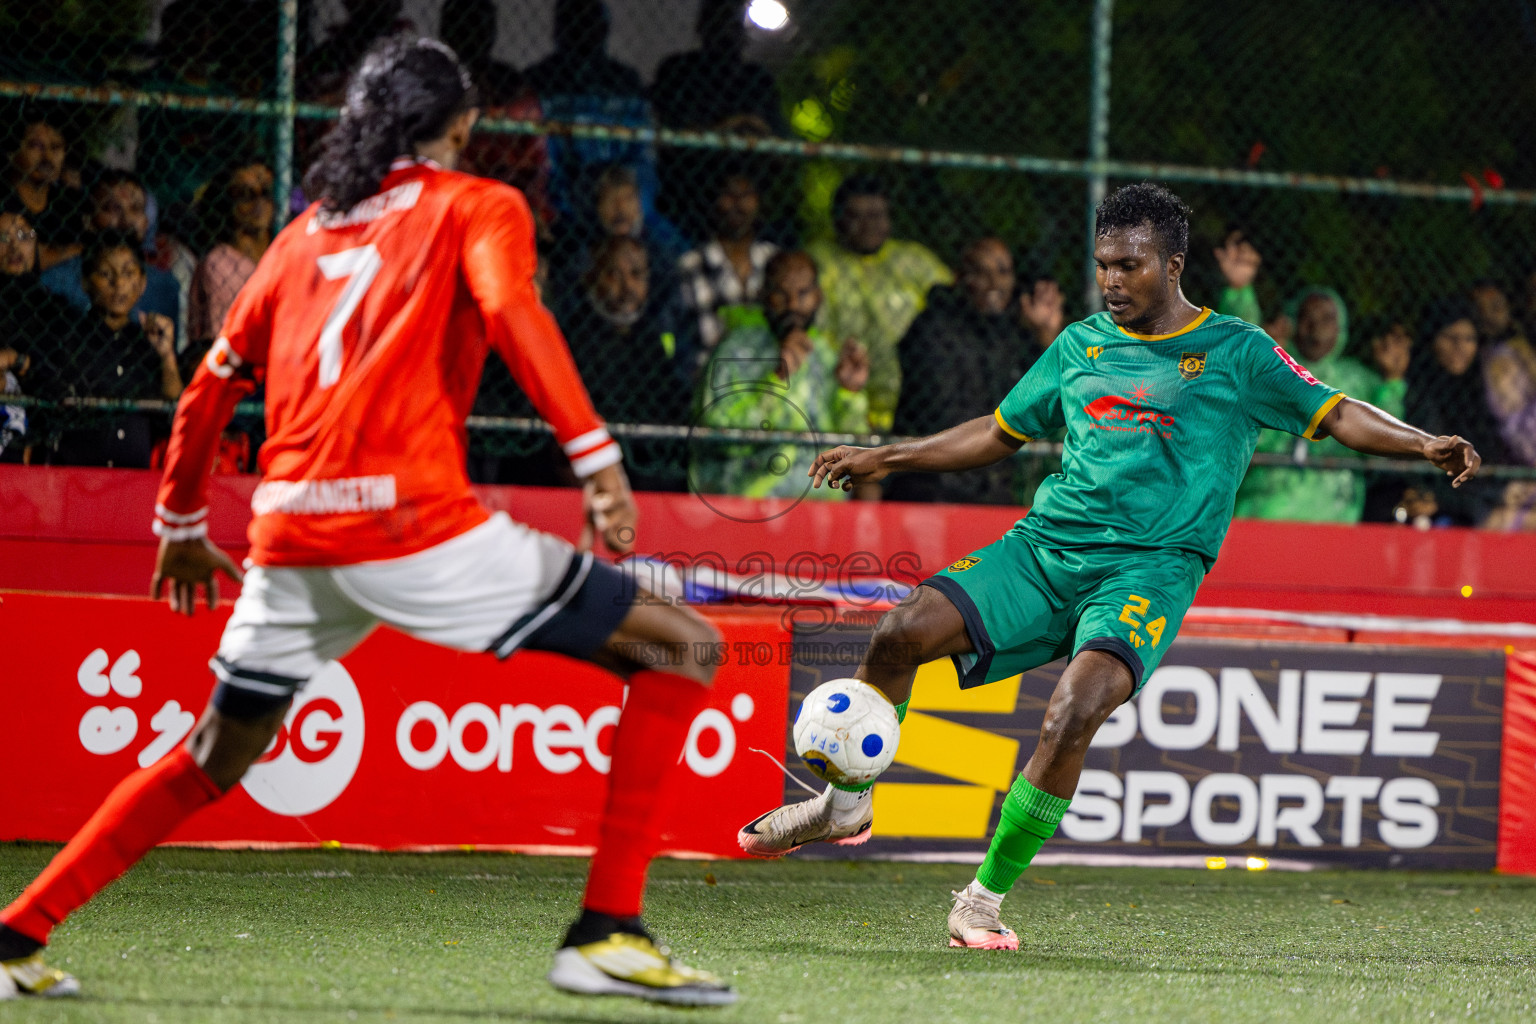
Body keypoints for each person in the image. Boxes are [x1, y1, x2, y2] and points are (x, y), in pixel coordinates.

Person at [0, 38, 735, 1008]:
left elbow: (210, 384)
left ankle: (14, 934)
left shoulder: (302, 235)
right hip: (412, 524)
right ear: (464, 126)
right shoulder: (477, 204)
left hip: (292, 536)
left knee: (213, 754)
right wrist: (597, 459)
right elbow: (513, 310)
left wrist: (179, 519)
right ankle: (607, 932)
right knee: (683, 647)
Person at [734, 183, 1480, 950]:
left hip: (1149, 570)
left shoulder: (1238, 351)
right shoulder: (1080, 345)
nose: (1112, 281)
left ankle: (981, 901)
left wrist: (1423, 442)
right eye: (1103, 265)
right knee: (899, 632)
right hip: (1046, 548)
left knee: (1074, 709)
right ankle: (846, 806)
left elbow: (1338, 411)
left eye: (1130, 265)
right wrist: (887, 456)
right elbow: (997, 432)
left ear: (1173, 265)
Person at [887, 238, 1062, 504]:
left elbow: (1048, 401)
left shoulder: (1012, 332)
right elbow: (943, 413)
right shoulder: (933, 328)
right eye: (981, 272)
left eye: (1003, 271)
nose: (994, 282)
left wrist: (1046, 338)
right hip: (934, 484)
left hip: (992, 484)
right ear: (959, 278)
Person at [691, 250, 869, 499]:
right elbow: (719, 439)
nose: (793, 305)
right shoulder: (737, 351)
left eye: (803, 293)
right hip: (751, 500)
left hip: (823, 505)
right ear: (763, 295)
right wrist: (776, 380)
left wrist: (850, 392)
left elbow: (856, 447)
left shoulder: (827, 354)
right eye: (781, 295)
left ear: (818, 296)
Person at [1230, 285, 1409, 522]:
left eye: (1327, 319)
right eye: (1307, 317)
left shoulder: (1359, 382)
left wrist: (1392, 383)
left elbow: (1383, 447)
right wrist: (1238, 292)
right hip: (1264, 511)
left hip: (1335, 516)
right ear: (1293, 323)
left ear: (1341, 328)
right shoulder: (1272, 367)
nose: (1316, 327)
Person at [805, 175, 951, 430]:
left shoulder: (914, 261)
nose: (868, 225)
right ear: (837, 219)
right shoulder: (817, 260)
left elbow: (954, 309)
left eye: (876, 215)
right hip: (839, 398)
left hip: (915, 404)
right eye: (856, 216)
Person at [30, 231, 181, 468]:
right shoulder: (67, 340)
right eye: (105, 274)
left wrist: (167, 356)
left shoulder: (148, 344)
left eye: (128, 273)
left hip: (133, 475)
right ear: (85, 282)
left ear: (142, 283)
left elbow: (173, 413)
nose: (118, 283)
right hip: (78, 473)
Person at [559, 236, 696, 491]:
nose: (627, 287)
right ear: (592, 278)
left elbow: (671, 401)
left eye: (636, 275)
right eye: (613, 274)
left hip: (649, 461)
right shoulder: (575, 338)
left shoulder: (648, 336)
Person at [39, 169, 181, 339]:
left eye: (135, 208)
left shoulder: (165, 287)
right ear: (89, 220)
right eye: (113, 208)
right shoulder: (59, 279)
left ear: (146, 220)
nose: (127, 218)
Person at [676, 169, 780, 359]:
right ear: (713, 202)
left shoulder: (775, 260)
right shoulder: (691, 265)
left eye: (746, 194)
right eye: (729, 195)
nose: (738, 203)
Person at [188, 161, 275, 347]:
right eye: (245, 194)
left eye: (266, 192)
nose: (259, 202)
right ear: (227, 202)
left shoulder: (280, 254)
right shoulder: (220, 263)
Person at [4, 113, 83, 270]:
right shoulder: (5, 199)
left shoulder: (67, 202)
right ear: (13, 153)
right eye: (36, 146)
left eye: (55, 147)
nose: (47, 157)